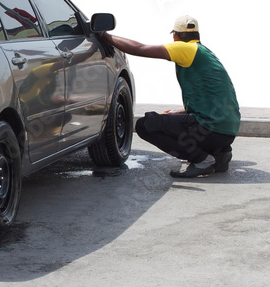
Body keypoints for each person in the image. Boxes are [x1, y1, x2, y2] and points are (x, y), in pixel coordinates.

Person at [99, 15, 240, 178]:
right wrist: (180, 112)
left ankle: (202, 160)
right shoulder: (205, 53)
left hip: (211, 129)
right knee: (170, 120)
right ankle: (220, 154)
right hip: (227, 131)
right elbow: (209, 99)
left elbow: (140, 48)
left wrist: (104, 35)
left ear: (175, 36)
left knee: (146, 125)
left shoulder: (185, 48)